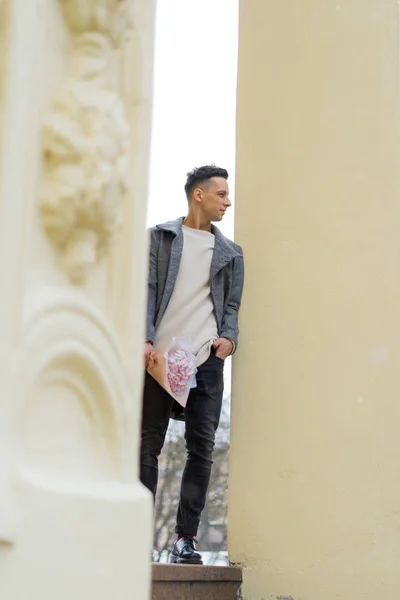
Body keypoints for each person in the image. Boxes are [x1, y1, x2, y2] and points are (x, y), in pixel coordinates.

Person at [140, 165, 244, 565]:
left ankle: (186, 539)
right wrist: (144, 338)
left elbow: (231, 305)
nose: (227, 202)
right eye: (221, 194)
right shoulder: (162, 238)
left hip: (205, 360)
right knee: (147, 445)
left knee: (201, 449)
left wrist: (228, 340)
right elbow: (147, 291)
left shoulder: (231, 254)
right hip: (159, 357)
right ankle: (138, 536)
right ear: (198, 195)